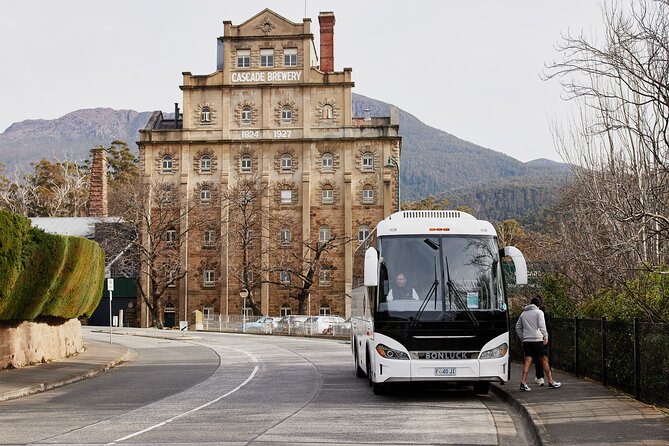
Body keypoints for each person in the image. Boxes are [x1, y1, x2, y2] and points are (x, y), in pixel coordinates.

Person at [515, 296, 561, 391]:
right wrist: (546, 336)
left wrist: (523, 338)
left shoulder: (523, 314)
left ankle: (523, 383)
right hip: (537, 340)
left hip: (527, 341)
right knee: (544, 360)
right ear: (538, 305)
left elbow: (517, 327)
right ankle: (551, 382)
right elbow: (541, 325)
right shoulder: (538, 312)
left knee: (527, 361)